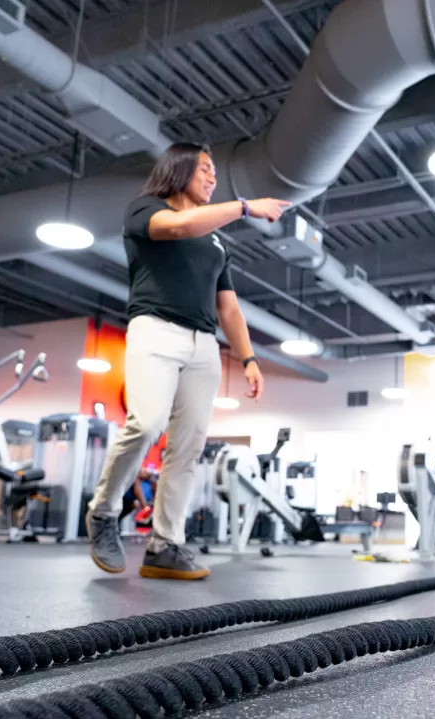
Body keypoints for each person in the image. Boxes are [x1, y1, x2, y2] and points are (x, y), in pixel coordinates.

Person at [86, 142, 290, 580]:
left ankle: (165, 545)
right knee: (146, 423)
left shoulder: (215, 242)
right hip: (155, 329)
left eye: (214, 171)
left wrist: (249, 358)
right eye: (205, 169)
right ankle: (103, 511)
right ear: (178, 170)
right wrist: (245, 207)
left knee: (189, 446)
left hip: (204, 345)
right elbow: (177, 228)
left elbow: (229, 309)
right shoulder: (144, 210)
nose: (212, 177)